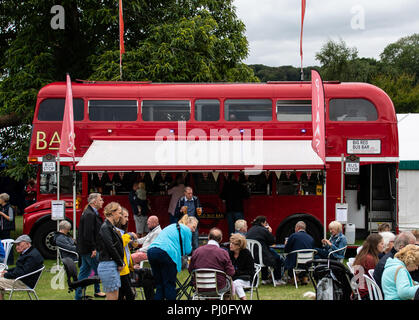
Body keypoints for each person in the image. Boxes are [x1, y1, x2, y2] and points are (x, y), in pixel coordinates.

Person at [147, 216, 198, 300]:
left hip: (152, 251)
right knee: (169, 285)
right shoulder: (186, 230)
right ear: (188, 223)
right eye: (193, 227)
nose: (193, 230)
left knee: (160, 285)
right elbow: (188, 250)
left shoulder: (171, 226)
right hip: (166, 253)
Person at [75, 193, 106, 299]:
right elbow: (88, 233)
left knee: (84, 271)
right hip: (89, 249)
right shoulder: (89, 214)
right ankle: (96, 291)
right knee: (97, 269)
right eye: (100, 200)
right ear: (94, 202)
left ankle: (78, 295)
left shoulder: (90, 212)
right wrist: (93, 248)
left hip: (86, 248)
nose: (102, 202)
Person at [189, 228, 235, 296]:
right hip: (219, 287)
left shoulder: (197, 251)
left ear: (208, 237)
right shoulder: (223, 253)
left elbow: (190, 270)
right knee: (229, 284)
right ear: (220, 239)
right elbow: (231, 272)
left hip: (200, 287)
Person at [0, 235, 44, 300]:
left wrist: (6, 274)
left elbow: (21, 273)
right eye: (16, 245)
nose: (17, 247)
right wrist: (8, 271)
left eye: (19, 244)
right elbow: (20, 269)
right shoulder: (29, 253)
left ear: (27, 243)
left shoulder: (31, 256)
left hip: (23, 282)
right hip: (22, 280)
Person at [97, 202, 125, 300]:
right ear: (112, 212)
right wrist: (120, 262)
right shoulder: (106, 227)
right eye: (119, 212)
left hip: (110, 264)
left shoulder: (110, 227)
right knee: (113, 296)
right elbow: (110, 246)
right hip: (108, 265)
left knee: (112, 296)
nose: (120, 215)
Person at [246, 216, 284, 285]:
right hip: (262, 257)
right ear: (262, 223)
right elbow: (272, 241)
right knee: (278, 258)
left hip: (252, 257)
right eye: (265, 223)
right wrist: (269, 232)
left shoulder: (250, 230)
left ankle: (264, 279)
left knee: (265, 255)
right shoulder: (263, 230)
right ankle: (277, 279)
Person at [352, 233, 384, 300]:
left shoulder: (365, 255)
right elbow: (376, 278)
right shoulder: (369, 259)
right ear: (375, 245)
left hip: (361, 290)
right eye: (381, 244)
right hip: (367, 293)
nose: (383, 246)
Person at [283, 221, 314, 285]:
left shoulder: (293, 236)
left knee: (288, 259)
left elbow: (286, 250)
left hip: (296, 262)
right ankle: (304, 277)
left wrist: (286, 244)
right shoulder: (311, 238)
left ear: (297, 228)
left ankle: (294, 278)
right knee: (302, 264)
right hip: (308, 262)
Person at [116, 207, 136, 301]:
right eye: (125, 216)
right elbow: (119, 244)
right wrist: (130, 235)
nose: (127, 219)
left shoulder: (122, 232)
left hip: (126, 268)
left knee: (122, 295)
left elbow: (125, 250)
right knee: (129, 295)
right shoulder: (115, 231)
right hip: (121, 268)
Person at [174, 186, 202, 251]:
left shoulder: (195, 199)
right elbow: (176, 213)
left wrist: (200, 211)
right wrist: (180, 210)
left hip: (194, 223)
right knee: (185, 242)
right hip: (184, 224)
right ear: (185, 193)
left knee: (195, 242)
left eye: (191, 193)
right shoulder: (181, 200)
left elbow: (200, 208)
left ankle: (196, 257)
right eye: (189, 193)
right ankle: (186, 257)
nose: (191, 195)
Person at [228, 233, 254, 300]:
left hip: (246, 279)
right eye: (230, 243)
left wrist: (236, 272)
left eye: (233, 243)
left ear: (239, 246)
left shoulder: (246, 254)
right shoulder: (230, 253)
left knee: (236, 283)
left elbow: (250, 271)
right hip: (232, 278)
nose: (230, 245)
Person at [0, 193, 15, 265]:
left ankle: (10, 260)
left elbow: (11, 218)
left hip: (6, 228)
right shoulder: (2, 208)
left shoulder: (9, 207)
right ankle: (3, 259)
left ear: (3, 200)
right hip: (2, 228)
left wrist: (2, 214)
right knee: (2, 244)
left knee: (8, 244)